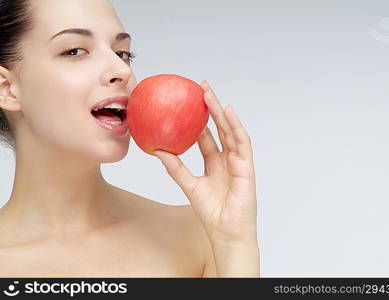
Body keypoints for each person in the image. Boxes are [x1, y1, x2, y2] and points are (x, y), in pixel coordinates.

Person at [0, 0, 259, 277]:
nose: (122, 71)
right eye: (75, 50)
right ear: (8, 89)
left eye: (123, 53)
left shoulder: (196, 237)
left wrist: (234, 241)